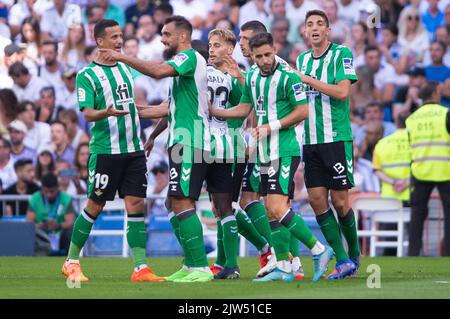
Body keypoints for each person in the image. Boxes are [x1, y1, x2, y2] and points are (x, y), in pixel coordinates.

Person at [211, 32, 334, 282]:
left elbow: (302, 111)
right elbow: (245, 108)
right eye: (259, 56)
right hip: (265, 152)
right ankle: (284, 266)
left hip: (285, 150)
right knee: (269, 211)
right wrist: (214, 111)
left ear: (275, 49)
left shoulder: (289, 76)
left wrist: (271, 126)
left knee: (277, 207)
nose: (265, 60)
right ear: (253, 57)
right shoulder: (254, 77)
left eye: (268, 54)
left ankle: (319, 249)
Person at [99, 16, 214, 283]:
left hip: (192, 140)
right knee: (172, 202)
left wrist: (122, 57)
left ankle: (200, 267)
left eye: (166, 34)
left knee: (183, 200)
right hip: (181, 140)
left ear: (182, 37)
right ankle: (190, 264)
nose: (162, 39)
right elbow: (166, 109)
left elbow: (157, 72)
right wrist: (135, 119)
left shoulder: (189, 58)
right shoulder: (183, 69)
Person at [62, 19, 164, 283]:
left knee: (136, 204)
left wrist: (158, 114)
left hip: (133, 149)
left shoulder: (125, 70)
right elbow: (87, 113)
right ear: (100, 41)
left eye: (121, 36)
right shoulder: (87, 75)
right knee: (95, 204)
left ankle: (140, 268)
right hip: (106, 151)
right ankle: (71, 262)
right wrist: (104, 113)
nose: (119, 41)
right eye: (115, 37)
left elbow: (131, 107)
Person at [296, 9, 360, 279]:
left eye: (319, 24)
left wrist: (308, 80)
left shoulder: (341, 54)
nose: (314, 28)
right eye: (310, 24)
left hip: (336, 138)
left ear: (327, 30)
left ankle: (354, 254)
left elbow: (343, 92)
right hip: (310, 140)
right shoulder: (301, 59)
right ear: (304, 30)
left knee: (341, 202)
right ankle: (342, 259)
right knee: (316, 199)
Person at [406, 81, 450, 256]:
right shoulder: (445, 113)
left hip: (420, 170)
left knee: (417, 216)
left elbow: (411, 144)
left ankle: (413, 253)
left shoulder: (411, 119)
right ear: (436, 93)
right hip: (444, 170)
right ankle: (448, 255)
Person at [26, 173, 76, 255]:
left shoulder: (65, 198)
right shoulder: (35, 198)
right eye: (46, 191)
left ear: (57, 187)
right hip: (41, 234)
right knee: (32, 234)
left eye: (52, 191)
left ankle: (69, 260)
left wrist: (59, 226)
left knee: (70, 234)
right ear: (42, 189)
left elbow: (71, 222)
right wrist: (42, 226)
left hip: (60, 234)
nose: (49, 195)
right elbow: (29, 224)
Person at [373, 112, 411, 203]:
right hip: (411, 193)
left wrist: (394, 182)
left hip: (389, 195)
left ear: (397, 123)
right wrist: (407, 182)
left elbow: (376, 170)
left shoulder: (381, 143)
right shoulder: (417, 142)